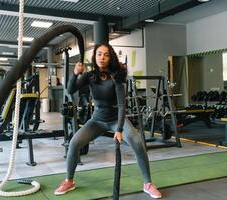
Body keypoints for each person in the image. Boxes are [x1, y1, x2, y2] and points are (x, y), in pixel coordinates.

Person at [54, 43, 162, 199]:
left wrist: (119, 129)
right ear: (95, 56)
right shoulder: (90, 76)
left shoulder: (115, 76)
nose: (102, 57)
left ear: (110, 57)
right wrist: (75, 74)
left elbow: (121, 105)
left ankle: (148, 183)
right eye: (99, 54)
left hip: (116, 118)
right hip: (97, 120)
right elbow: (70, 90)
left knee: (137, 143)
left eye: (105, 54)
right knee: (74, 143)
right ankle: (69, 181)